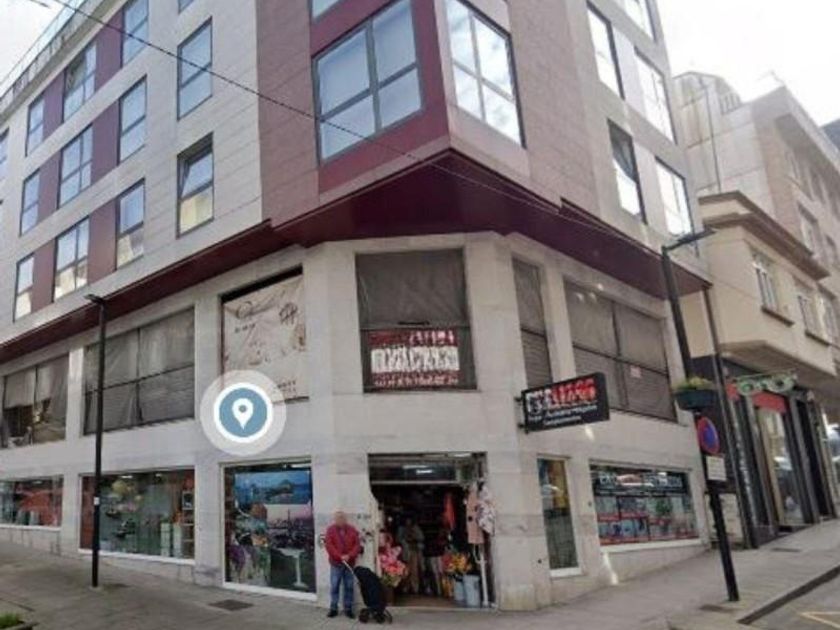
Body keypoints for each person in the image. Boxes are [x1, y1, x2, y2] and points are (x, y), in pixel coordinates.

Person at [324, 510, 361, 619]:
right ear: (335, 520)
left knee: (349, 586)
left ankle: (348, 609)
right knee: (334, 586)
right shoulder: (330, 530)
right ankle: (333, 608)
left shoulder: (352, 529)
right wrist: (340, 556)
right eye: (338, 518)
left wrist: (349, 555)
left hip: (349, 564)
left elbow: (357, 545)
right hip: (336, 564)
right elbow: (329, 546)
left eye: (342, 518)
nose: (340, 520)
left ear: (346, 519)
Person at [397, 517, 425, 594]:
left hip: (414, 551)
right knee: (405, 570)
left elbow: (421, 538)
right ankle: (405, 588)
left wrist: (414, 538)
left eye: (409, 520)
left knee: (414, 571)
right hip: (405, 552)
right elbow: (398, 539)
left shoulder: (416, 528)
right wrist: (405, 540)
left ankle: (415, 588)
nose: (408, 522)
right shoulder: (401, 529)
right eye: (407, 520)